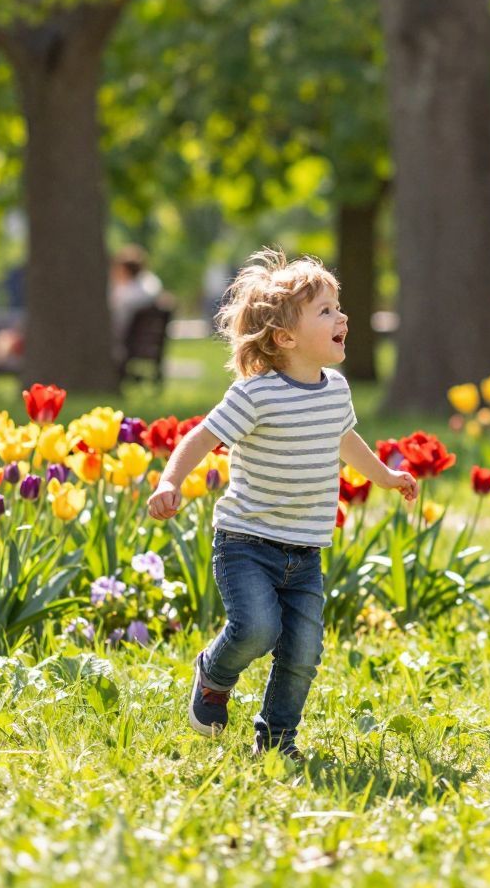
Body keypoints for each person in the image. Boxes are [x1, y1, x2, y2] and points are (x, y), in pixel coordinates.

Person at [145, 249, 418, 760]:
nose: (343, 318)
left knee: (302, 652)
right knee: (255, 629)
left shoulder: (335, 389)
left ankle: (276, 739)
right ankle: (215, 674)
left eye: (338, 307)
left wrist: (383, 475)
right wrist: (170, 481)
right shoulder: (255, 395)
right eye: (326, 311)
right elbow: (200, 438)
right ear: (285, 338)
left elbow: (346, 437)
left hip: (306, 550)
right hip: (246, 542)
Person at [110, 245, 166, 340]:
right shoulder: (150, 286)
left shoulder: (128, 295)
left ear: (124, 270)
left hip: (124, 341)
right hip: (140, 342)